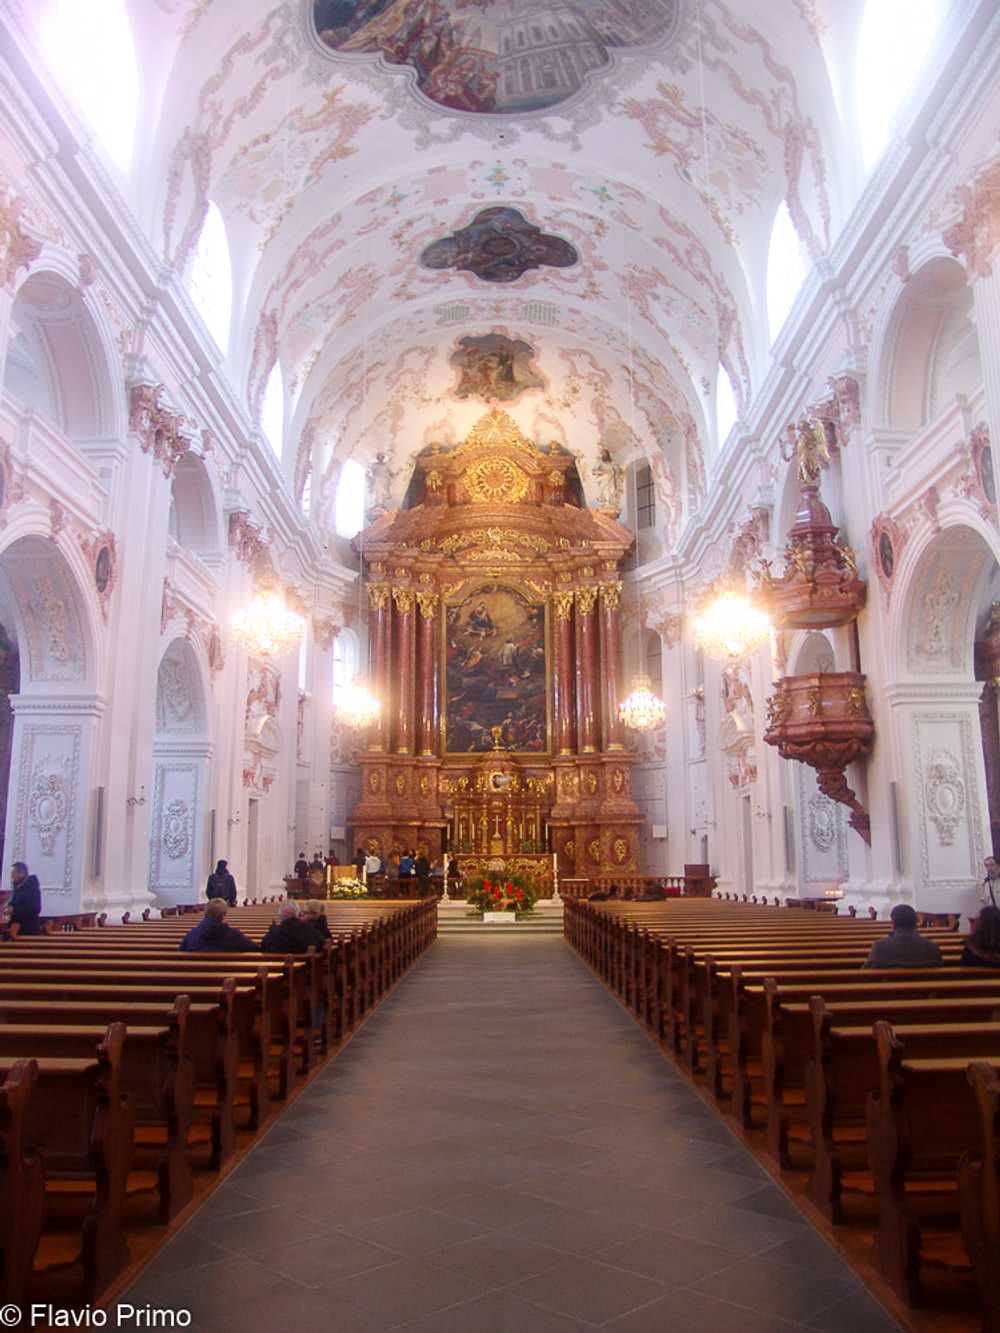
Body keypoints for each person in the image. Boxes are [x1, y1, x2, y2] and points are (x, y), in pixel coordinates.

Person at [863, 904, 944, 969]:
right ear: (916, 923)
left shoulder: (879, 947)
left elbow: (866, 972)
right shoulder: (932, 947)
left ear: (893, 924)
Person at [179, 899, 258, 953]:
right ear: (224, 915)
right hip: (226, 972)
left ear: (205, 913)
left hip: (196, 973)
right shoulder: (235, 935)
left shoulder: (192, 934)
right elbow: (255, 949)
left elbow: (181, 952)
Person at [261, 900, 325, 954]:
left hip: (275, 965)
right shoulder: (310, 931)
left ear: (280, 916)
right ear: (298, 914)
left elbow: (263, 948)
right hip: (303, 965)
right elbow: (321, 944)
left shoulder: (271, 935)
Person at [6, 862, 42, 937]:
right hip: (16, 929)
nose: (12, 877)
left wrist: (13, 910)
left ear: (21, 874)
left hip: (28, 930)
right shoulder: (18, 887)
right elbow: (15, 902)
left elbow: (35, 909)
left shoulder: (32, 888)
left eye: (14, 874)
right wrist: (9, 905)